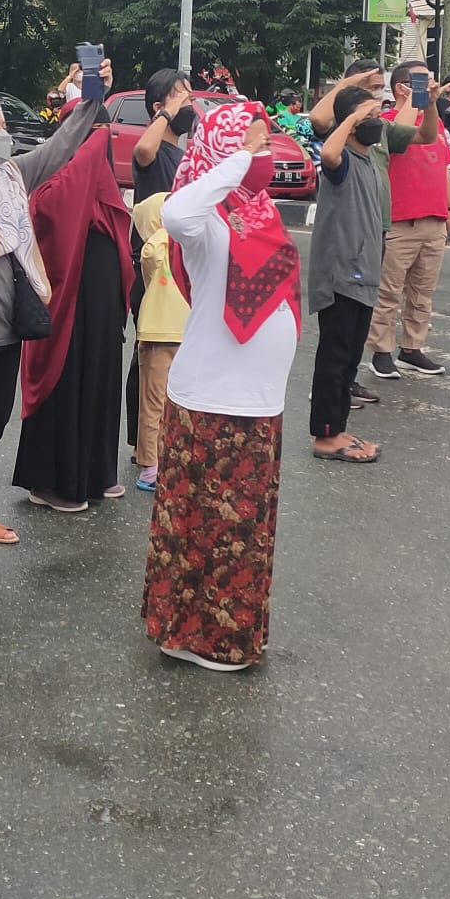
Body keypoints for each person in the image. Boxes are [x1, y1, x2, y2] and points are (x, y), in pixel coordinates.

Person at [0, 60, 113, 560]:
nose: (2, 132)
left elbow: (58, 149)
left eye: (3, 125)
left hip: (7, 325)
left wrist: (93, 97)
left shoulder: (12, 175)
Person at [143, 102, 300, 670]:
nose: (262, 154)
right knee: (206, 530)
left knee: (242, 530)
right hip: (213, 400)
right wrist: (237, 163)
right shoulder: (206, 218)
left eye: (264, 143)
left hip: (257, 402)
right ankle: (194, 638)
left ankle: (223, 638)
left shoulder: (258, 215)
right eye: (250, 143)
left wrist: (247, 166)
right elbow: (178, 212)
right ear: (222, 151)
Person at [13, 125, 133, 513]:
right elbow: (49, 211)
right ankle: (54, 482)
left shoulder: (96, 183)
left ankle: (94, 474)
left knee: (98, 373)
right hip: (68, 301)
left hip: (97, 297)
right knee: (70, 375)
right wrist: (93, 142)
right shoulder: (55, 181)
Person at [309, 63, 440, 407]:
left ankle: (345, 386)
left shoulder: (379, 131)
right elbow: (320, 126)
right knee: (341, 325)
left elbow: (425, 135)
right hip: (348, 237)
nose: (376, 98)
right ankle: (329, 398)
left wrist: (429, 100)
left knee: (357, 323)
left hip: (375, 228)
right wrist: (348, 86)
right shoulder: (345, 133)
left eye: (380, 89)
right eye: (372, 88)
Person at [307, 87, 407, 462]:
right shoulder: (342, 159)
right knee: (333, 358)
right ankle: (325, 436)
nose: (376, 122)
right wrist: (350, 116)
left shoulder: (368, 161)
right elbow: (328, 152)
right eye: (370, 117)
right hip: (341, 274)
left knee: (348, 361)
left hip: (365, 274)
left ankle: (339, 428)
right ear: (349, 124)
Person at [367, 62, 450, 381]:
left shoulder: (436, 125)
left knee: (423, 290)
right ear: (401, 88)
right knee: (388, 291)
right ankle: (381, 351)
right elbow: (397, 143)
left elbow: (444, 167)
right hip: (399, 220)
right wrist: (409, 103)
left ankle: (412, 348)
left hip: (433, 218)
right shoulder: (387, 123)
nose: (429, 84)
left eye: (430, 79)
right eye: (422, 80)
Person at [125, 70, 195, 458]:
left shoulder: (183, 156)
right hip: (151, 267)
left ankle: (162, 434)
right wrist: (167, 113)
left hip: (180, 266)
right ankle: (142, 444)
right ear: (159, 107)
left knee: (173, 351)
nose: (189, 106)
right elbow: (143, 151)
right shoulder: (152, 151)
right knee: (148, 352)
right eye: (180, 99)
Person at [130, 192, 189, 492]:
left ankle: (149, 467)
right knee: (182, 402)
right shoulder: (188, 240)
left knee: (152, 403)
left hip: (155, 330)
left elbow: (150, 276)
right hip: (187, 329)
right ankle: (176, 458)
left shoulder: (153, 243)